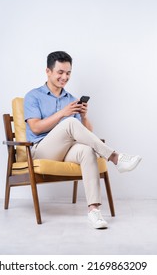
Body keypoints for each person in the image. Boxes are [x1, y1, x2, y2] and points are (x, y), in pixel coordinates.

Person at [24, 51, 142, 229]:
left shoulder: (71, 100)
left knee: (86, 151)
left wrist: (84, 117)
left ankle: (94, 211)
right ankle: (116, 158)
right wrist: (63, 113)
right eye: (60, 72)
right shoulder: (33, 96)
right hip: (40, 150)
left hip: (65, 150)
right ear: (48, 71)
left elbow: (86, 134)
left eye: (68, 73)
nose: (65, 77)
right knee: (70, 121)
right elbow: (35, 127)